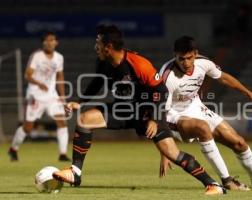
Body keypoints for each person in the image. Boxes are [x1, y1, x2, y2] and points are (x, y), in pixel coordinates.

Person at [52, 25, 225, 195]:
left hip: (147, 112)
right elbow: (97, 83)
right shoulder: (103, 62)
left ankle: (213, 184)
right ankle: (75, 172)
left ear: (109, 47)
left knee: (172, 154)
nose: (96, 47)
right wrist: (79, 102)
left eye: (98, 44)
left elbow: (161, 92)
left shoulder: (139, 64)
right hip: (123, 110)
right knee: (84, 120)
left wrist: (154, 120)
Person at [159, 36, 252, 190]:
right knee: (203, 127)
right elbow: (162, 113)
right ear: (175, 55)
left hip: (195, 106)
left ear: (196, 54)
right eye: (181, 59)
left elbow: (223, 78)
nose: (185, 63)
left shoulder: (203, 63)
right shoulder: (167, 77)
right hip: (173, 114)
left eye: (189, 58)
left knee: (239, 143)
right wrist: (165, 151)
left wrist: (249, 93)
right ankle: (227, 181)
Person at [8, 31, 70, 162]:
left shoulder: (59, 58)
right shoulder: (37, 56)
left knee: (62, 122)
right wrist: (39, 83)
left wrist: (62, 96)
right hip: (35, 95)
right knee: (28, 127)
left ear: (56, 42)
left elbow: (60, 77)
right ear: (43, 43)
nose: (49, 42)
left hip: (51, 96)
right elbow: (28, 75)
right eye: (47, 40)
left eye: (52, 40)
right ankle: (13, 148)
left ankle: (63, 154)